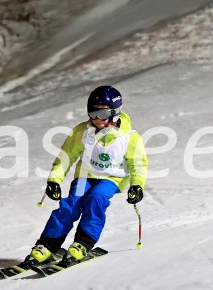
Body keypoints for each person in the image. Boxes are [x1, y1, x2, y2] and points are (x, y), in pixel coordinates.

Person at [23, 85, 147, 267]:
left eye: (103, 114)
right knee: (72, 204)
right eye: (93, 113)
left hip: (113, 178)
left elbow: (139, 164)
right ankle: (47, 245)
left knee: (97, 198)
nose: (97, 119)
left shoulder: (130, 137)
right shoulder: (82, 131)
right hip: (86, 175)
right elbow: (66, 157)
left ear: (115, 112)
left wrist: (137, 185)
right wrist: (54, 180)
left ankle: (82, 244)